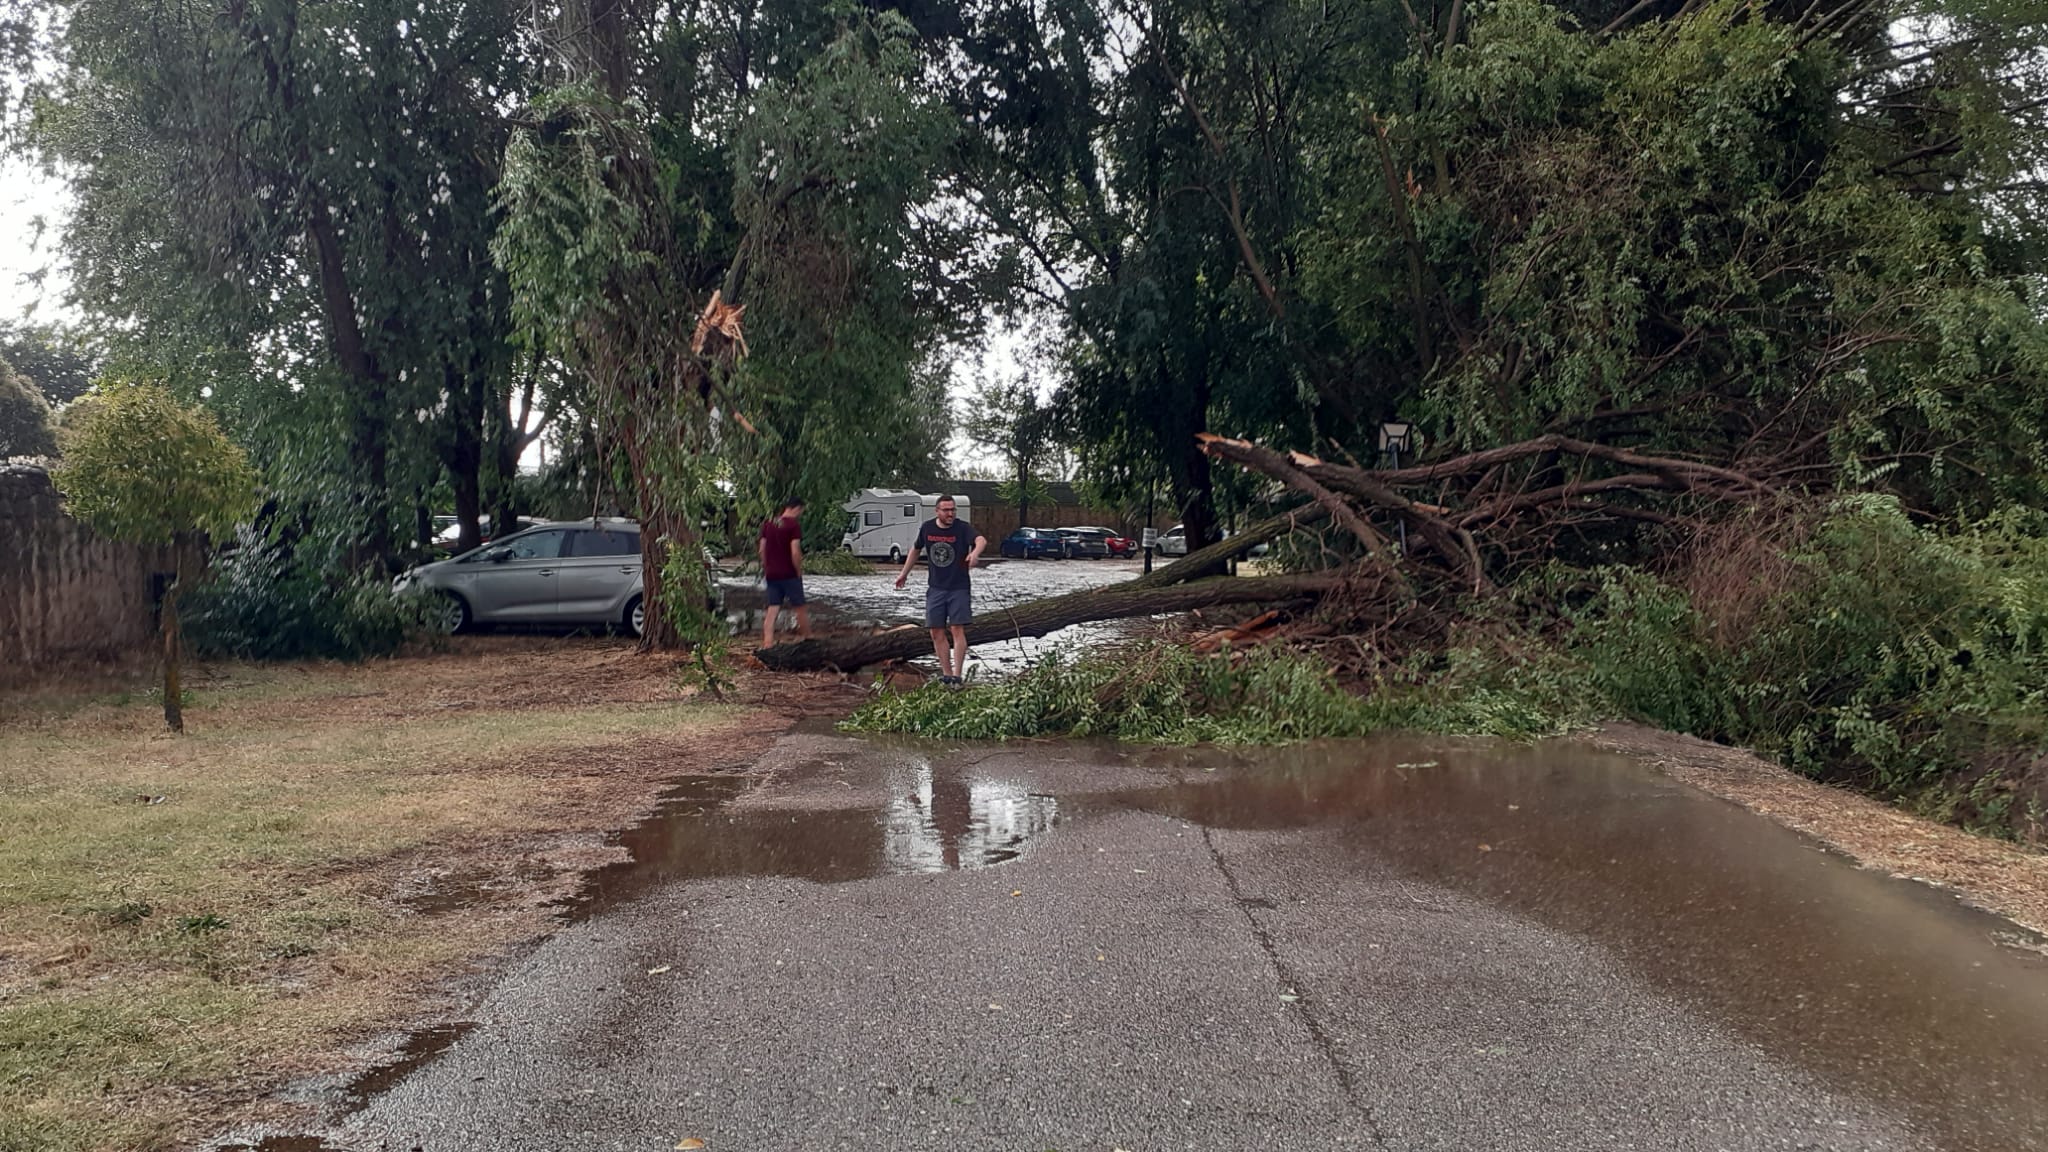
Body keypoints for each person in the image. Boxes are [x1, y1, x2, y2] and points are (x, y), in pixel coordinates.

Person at [894, 495, 985, 685]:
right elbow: (916, 549)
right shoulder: (927, 528)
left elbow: (981, 540)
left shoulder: (961, 528)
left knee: (956, 629)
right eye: (946, 510)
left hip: (958, 587)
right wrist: (904, 574)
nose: (950, 513)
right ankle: (947, 674)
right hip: (936, 588)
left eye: (953, 510)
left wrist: (975, 553)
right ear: (937, 511)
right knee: (936, 632)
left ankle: (957, 676)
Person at [758, 498, 810, 650]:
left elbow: (762, 549)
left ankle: (768, 643)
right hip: (789, 573)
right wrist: (798, 570)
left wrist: (767, 566)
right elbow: (795, 551)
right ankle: (808, 638)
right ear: (796, 508)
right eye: (801, 511)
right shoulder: (793, 525)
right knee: (799, 607)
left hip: (772, 573)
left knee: (773, 607)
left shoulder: (769, 523)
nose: (800, 514)